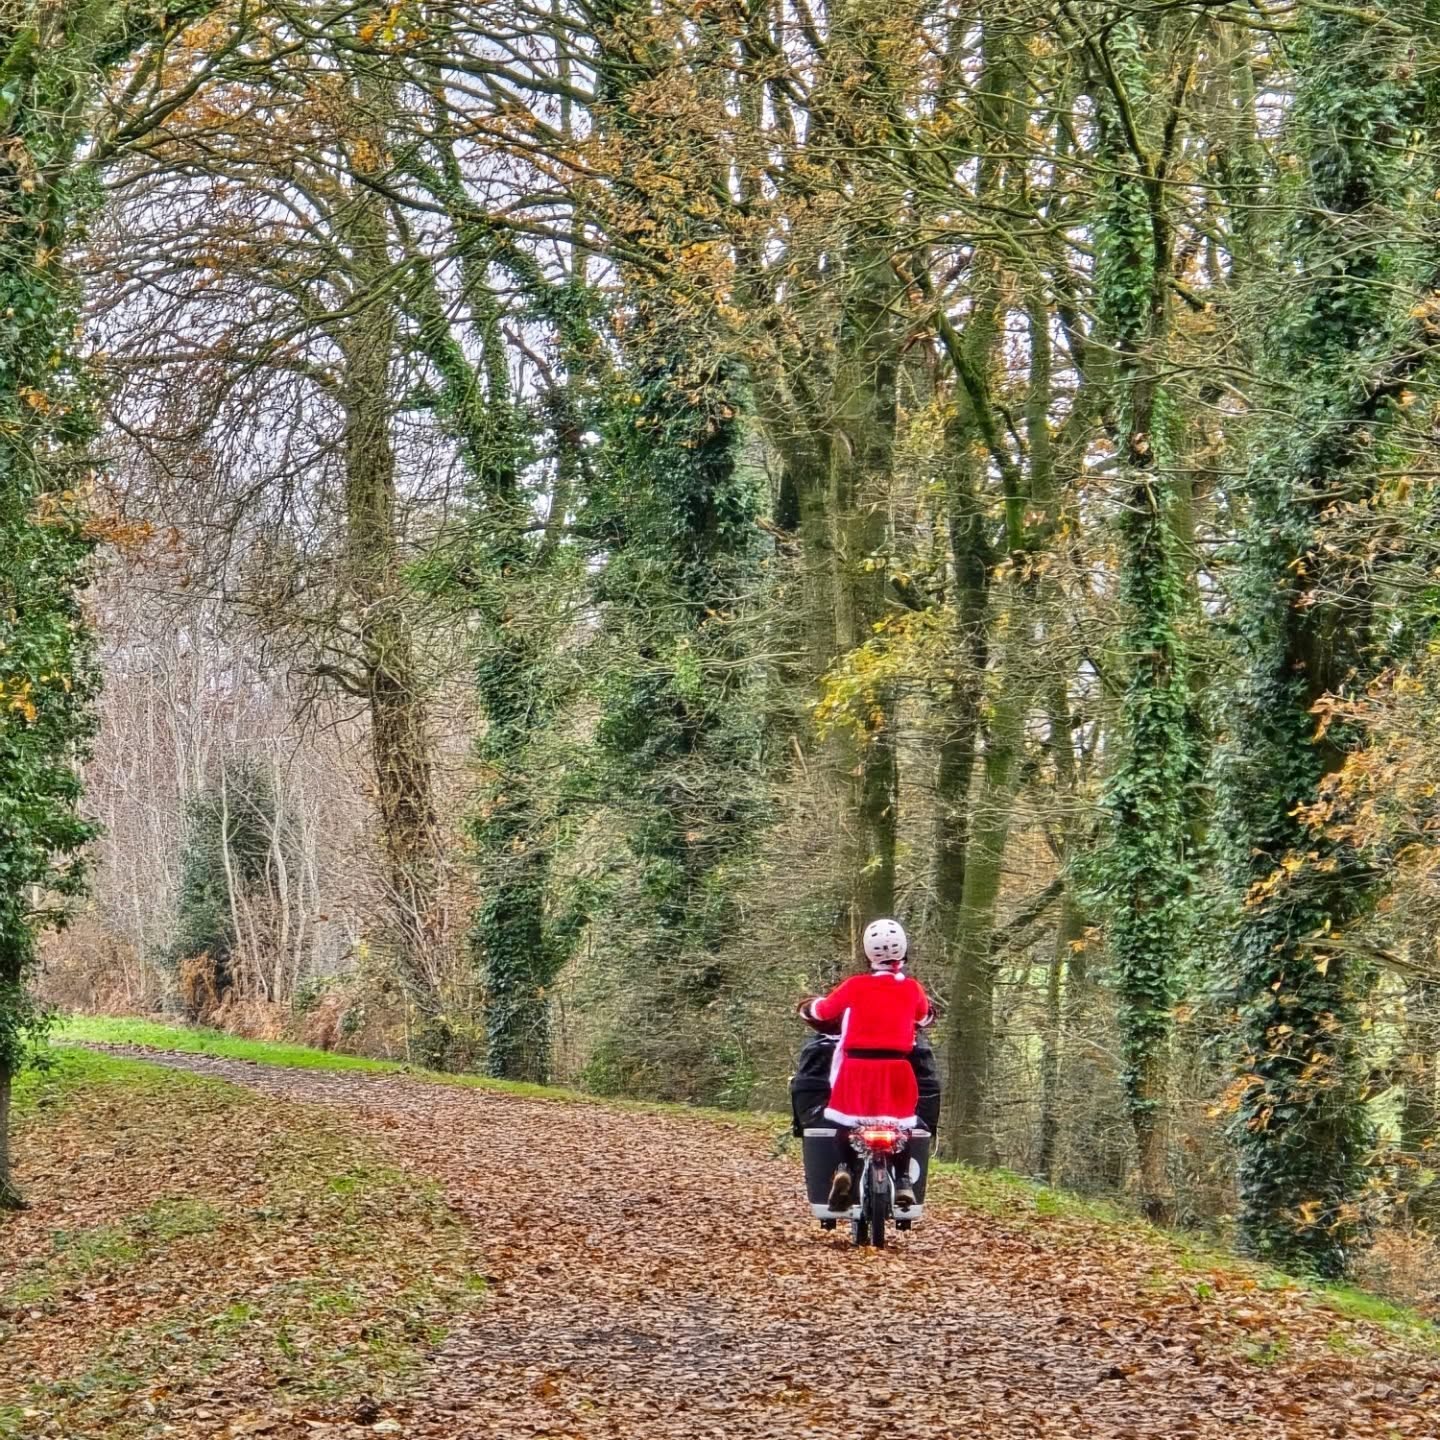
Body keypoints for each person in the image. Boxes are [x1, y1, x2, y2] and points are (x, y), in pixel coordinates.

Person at [798, 918, 935, 1213]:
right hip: (896, 1070)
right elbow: (924, 1018)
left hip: (857, 1070)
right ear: (902, 951)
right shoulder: (912, 989)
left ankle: (845, 1168)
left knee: (845, 1123)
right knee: (902, 1125)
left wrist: (808, 1006)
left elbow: (823, 1011)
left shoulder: (855, 986)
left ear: (868, 953)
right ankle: (903, 1184)